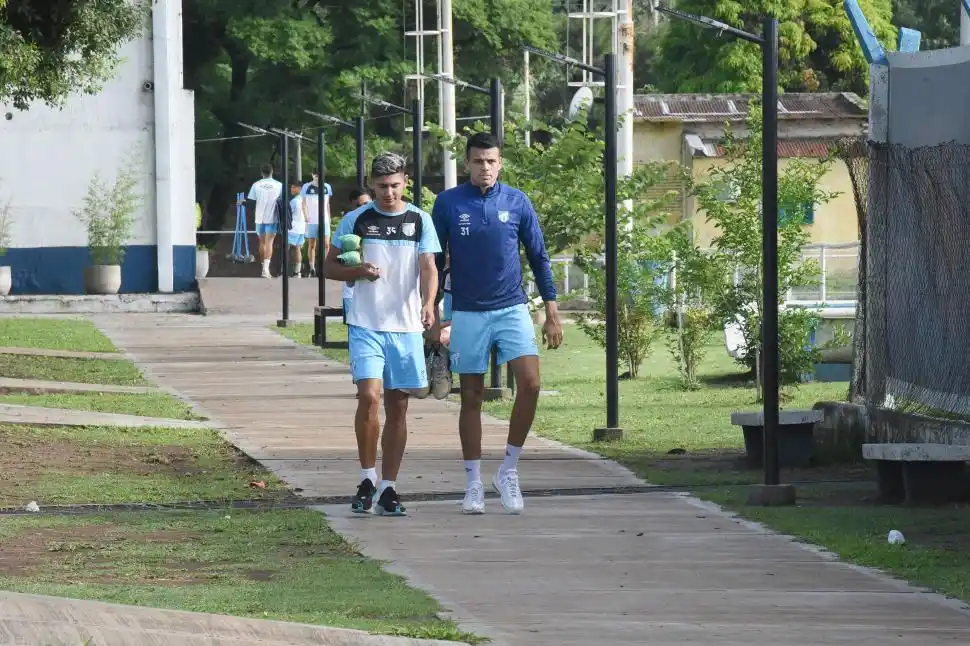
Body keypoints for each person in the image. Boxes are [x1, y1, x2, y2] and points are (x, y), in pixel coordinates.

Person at [431, 131, 563, 516]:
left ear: (500, 162)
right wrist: (432, 312)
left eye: (491, 161)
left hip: (512, 307)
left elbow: (539, 257)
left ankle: (508, 470)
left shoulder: (517, 201)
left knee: (531, 383)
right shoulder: (448, 203)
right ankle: (473, 482)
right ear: (467, 163)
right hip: (467, 311)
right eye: (478, 161)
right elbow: (434, 262)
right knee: (471, 396)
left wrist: (552, 312)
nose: (485, 167)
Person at [325, 153, 440, 517]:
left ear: (405, 181)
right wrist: (359, 270)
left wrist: (429, 303)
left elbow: (429, 266)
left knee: (399, 404)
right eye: (381, 187)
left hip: (405, 326)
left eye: (394, 185)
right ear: (371, 185)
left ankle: (389, 485)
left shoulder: (420, 220)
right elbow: (329, 267)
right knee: (369, 396)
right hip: (366, 322)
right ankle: (367, 477)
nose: (388, 193)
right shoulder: (355, 219)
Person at [247, 163, 283, 279]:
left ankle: (263, 267)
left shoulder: (256, 185)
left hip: (259, 218)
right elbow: (283, 201)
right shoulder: (279, 185)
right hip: (272, 218)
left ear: (262, 173)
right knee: (269, 243)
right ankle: (266, 270)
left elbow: (251, 202)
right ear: (272, 172)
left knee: (262, 243)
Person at [301, 168, 332, 278]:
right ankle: (312, 268)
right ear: (313, 175)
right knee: (312, 244)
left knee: (326, 244)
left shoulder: (327, 187)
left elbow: (327, 204)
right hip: (311, 220)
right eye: (316, 175)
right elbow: (303, 203)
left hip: (324, 220)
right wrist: (305, 217)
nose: (317, 177)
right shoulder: (306, 186)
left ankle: (325, 267)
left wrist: (329, 217)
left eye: (320, 175)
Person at [287, 182, 307, 277]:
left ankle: (284, 272)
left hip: (292, 228)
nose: (291, 189)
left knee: (286, 248)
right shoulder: (304, 200)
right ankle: (297, 272)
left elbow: (289, 215)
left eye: (293, 187)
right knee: (298, 249)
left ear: (298, 189)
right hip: (302, 228)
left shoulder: (294, 201)